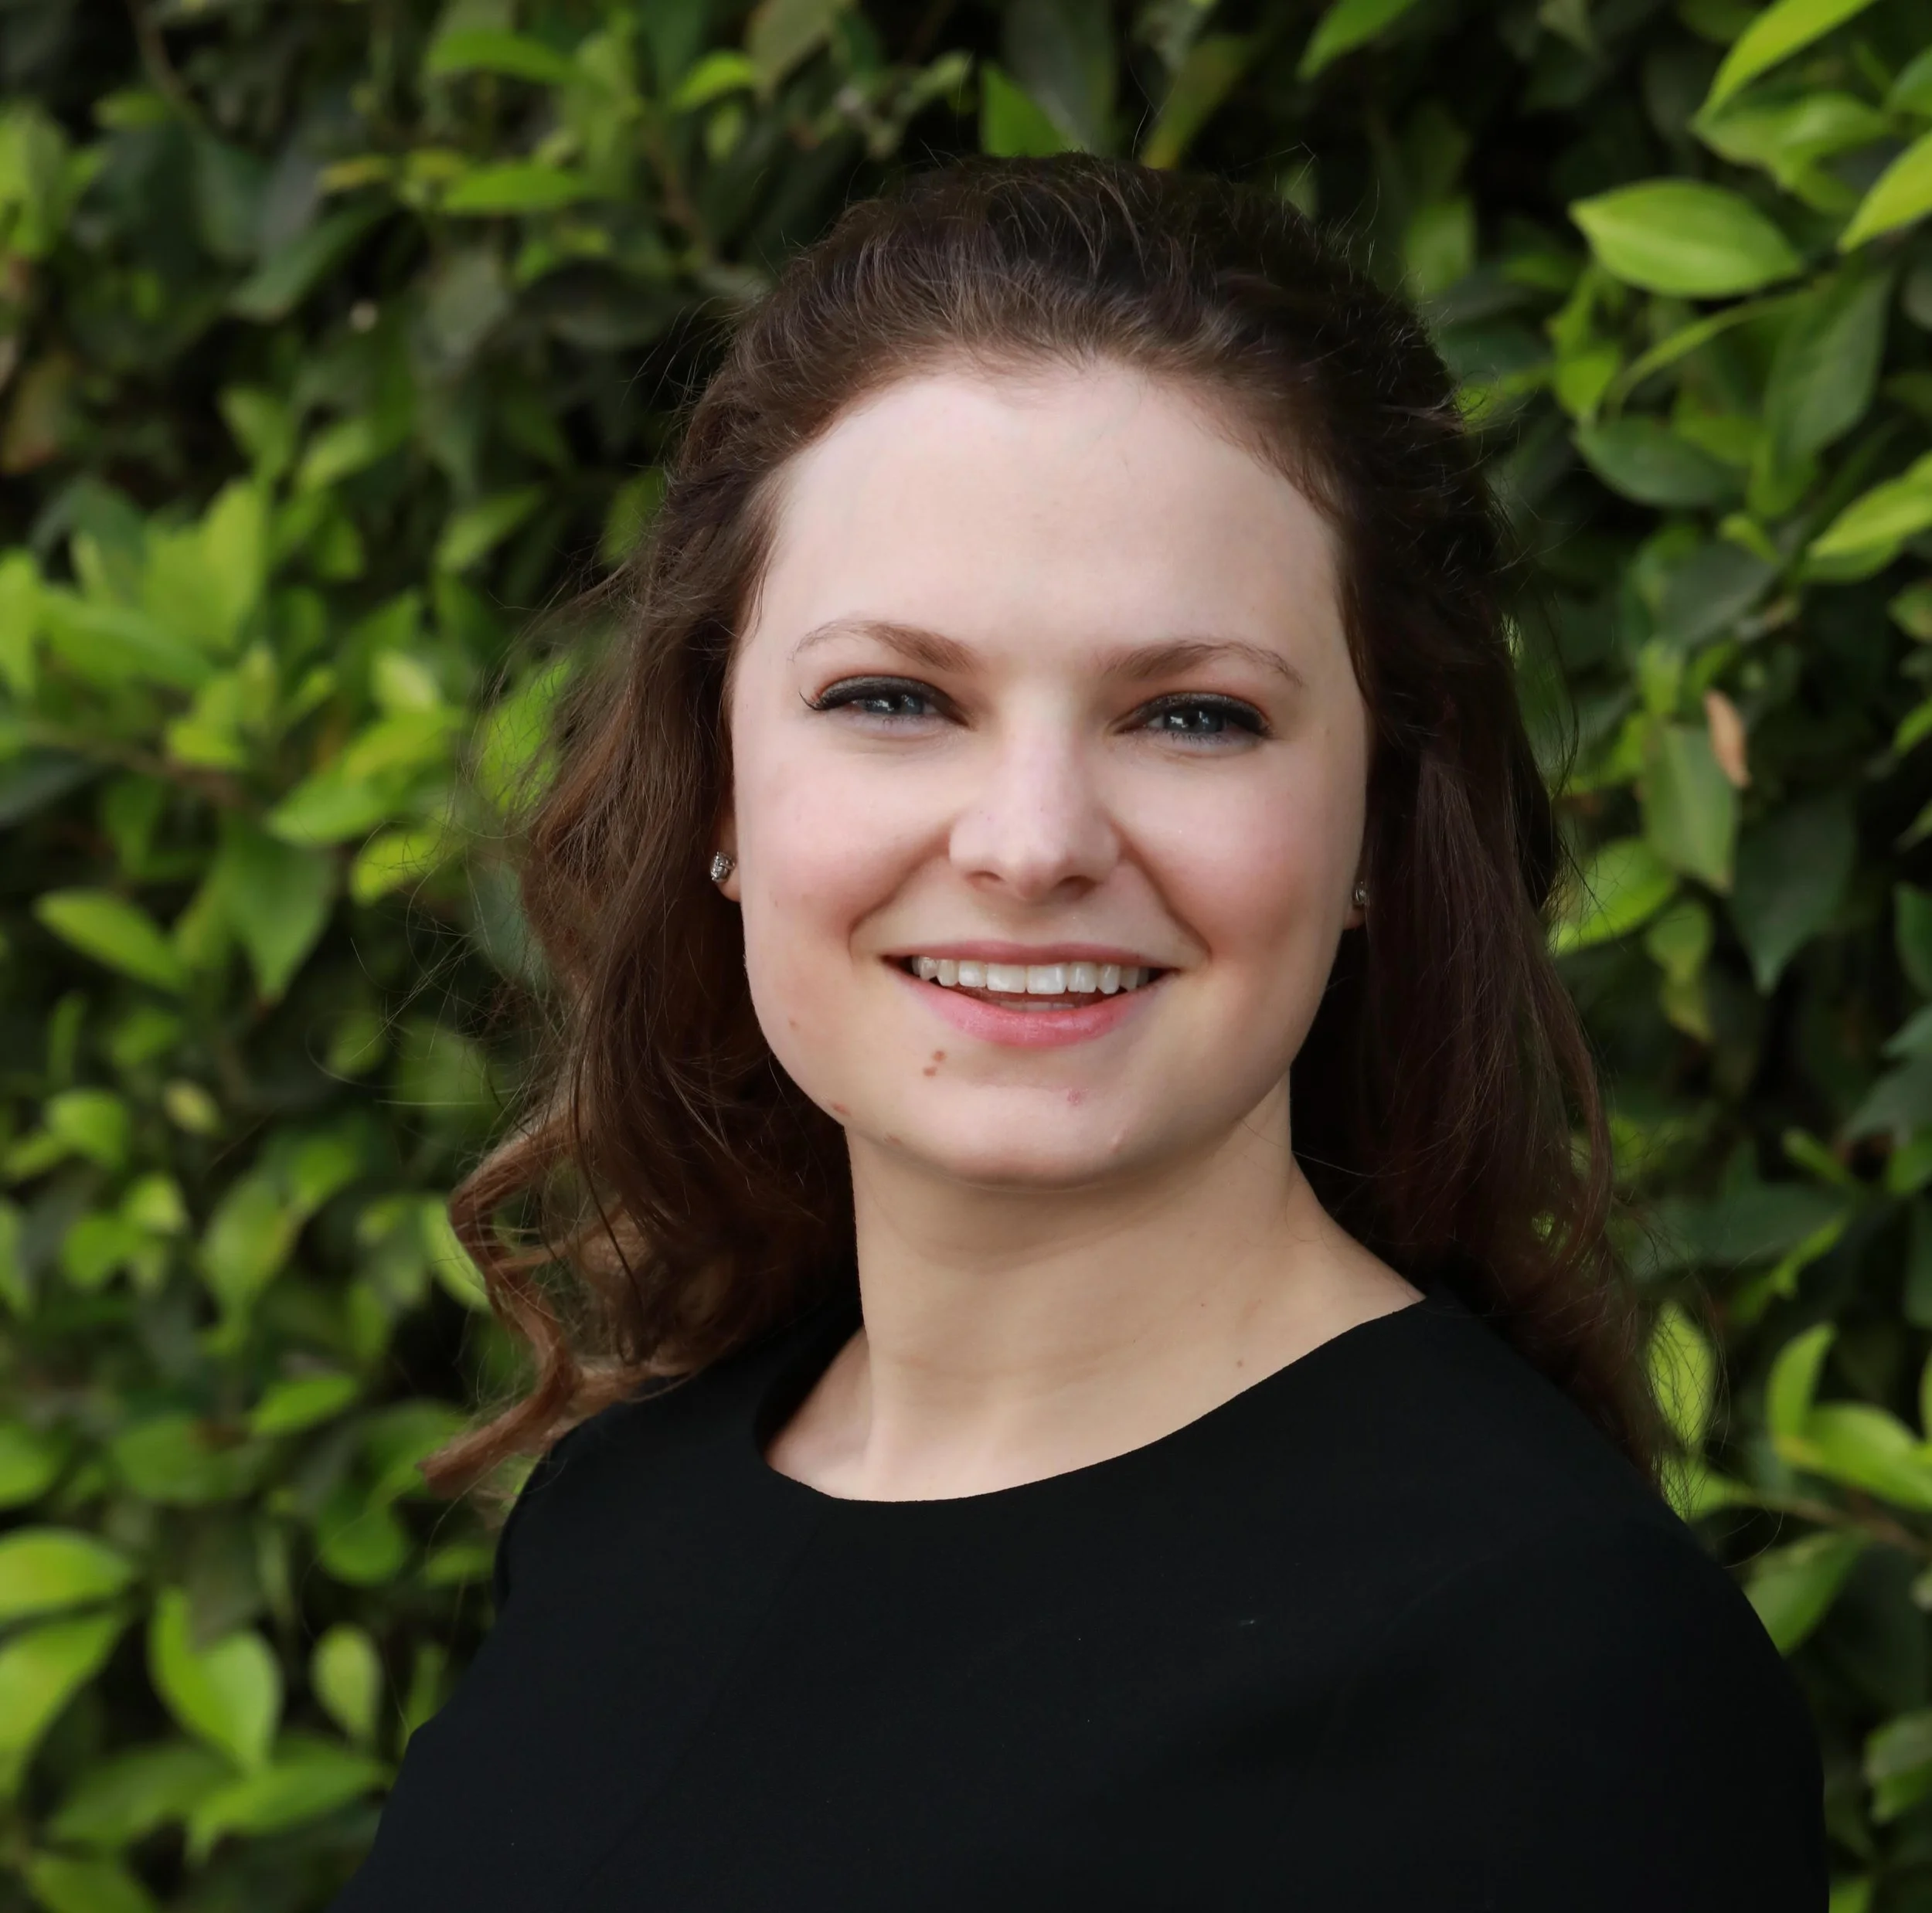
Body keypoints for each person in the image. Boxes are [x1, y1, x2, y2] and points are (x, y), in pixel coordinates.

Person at [332, 155, 1826, 1911]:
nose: (1031, 839)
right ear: (718, 780)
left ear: (1374, 816)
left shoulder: (1553, 1670)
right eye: (893, 698)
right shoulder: (623, 1509)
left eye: (1190, 714)